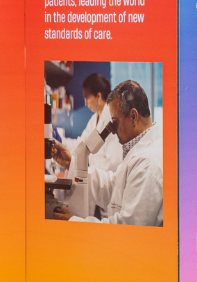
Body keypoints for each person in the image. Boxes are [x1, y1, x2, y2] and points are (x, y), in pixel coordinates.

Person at [53, 80, 163, 226]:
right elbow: (113, 186)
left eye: (115, 122)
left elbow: (128, 227)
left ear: (134, 116)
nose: (113, 130)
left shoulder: (147, 163)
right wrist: (71, 163)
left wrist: (75, 222)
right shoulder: (139, 150)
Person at [50, 72, 123, 208]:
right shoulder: (94, 119)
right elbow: (82, 143)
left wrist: (86, 165)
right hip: (96, 181)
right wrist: (61, 141)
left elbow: (112, 162)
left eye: (87, 98)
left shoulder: (111, 118)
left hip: (107, 185)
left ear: (98, 96)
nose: (85, 103)